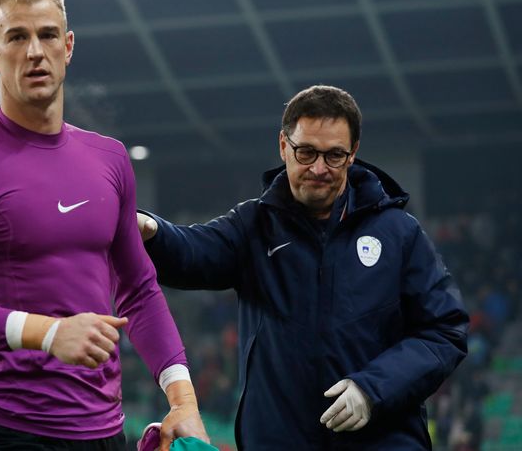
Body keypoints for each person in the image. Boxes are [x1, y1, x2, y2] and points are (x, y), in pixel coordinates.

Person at [0, 0, 208, 451]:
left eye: (46, 35)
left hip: (106, 433)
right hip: (9, 432)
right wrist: (47, 333)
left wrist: (183, 398)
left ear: (68, 46)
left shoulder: (110, 159)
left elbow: (139, 289)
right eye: (16, 37)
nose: (34, 51)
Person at [137, 85, 469, 450]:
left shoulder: (399, 233)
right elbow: (193, 253)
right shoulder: (253, 226)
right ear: (283, 145)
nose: (319, 168)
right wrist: (152, 231)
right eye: (306, 151)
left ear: (353, 153)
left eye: (334, 156)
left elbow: (445, 331)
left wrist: (372, 388)